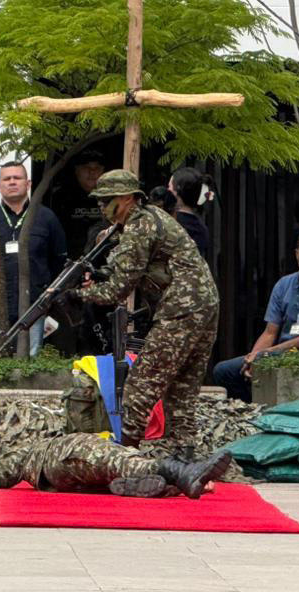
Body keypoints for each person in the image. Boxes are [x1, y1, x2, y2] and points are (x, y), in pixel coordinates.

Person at [73, 169, 219, 452]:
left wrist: (78, 295)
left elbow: (118, 290)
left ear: (128, 198)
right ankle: (184, 459)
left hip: (182, 309)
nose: (102, 207)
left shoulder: (140, 225)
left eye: (107, 200)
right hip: (203, 305)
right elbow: (130, 271)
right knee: (181, 392)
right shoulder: (148, 219)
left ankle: (126, 457)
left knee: (141, 384)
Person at [212, 228, 299, 402]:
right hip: (279, 352)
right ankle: (253, 410)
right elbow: (270, 332)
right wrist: (252, 358)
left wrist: (265, 355)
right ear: (296, 253)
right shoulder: (284, 284)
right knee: (223, 371)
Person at [0, 162, 67, 357]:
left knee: (31, 356)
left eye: (17, 178)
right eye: (7, 179)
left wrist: (41, 283)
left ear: (28, 183)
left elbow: (58, 258)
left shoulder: (46, 217)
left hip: (34, 304)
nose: (12, 182)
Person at [0, 433, 232, 499]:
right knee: (119, 460)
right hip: (66, 456)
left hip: (74, 470)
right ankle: (183, 473)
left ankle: (175, 482)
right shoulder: (34, 449)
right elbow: (7, 467)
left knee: (120, 465)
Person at [51, 150, 107, 255]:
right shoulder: (61, 197)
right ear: (76, 170)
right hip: (70, 260)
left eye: (97, 168)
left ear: (103, 171)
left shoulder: (112, 197)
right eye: (87, 167)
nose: (92, 172)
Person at [168, 167, 213, 257]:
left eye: (169, 187)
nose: (167, 190)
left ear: (177, 190)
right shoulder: (201, 229)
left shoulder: (168, 222)